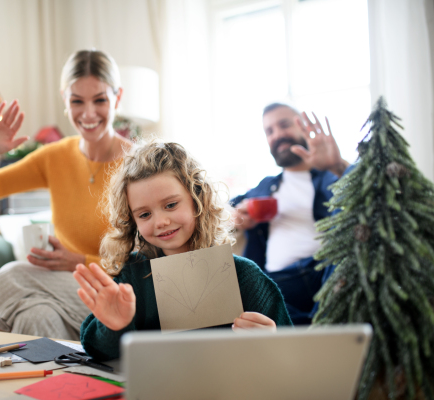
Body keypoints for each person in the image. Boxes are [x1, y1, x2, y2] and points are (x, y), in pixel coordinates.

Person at [0, 50, 133, 340]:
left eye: (100, 100)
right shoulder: (55, 157)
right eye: (77, 101)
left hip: (120, 293)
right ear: (65, 101)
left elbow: (150, 257)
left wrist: (81, 261)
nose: (88, 113)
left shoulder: (137, 163)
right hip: (68, 290)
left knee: (13, 275)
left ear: (117, 98)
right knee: (35, 315)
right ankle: (60, 384)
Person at [74, 140, 292, 361]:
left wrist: (271, 341)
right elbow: (97, 350)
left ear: (197, 200)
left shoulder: (244, 276)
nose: (160, 221)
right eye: (144, 214)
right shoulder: (131, 275)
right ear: (132, 221)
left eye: (170, 205)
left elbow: (291, 355)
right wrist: (113, 326)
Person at [229, 103, 350, 325]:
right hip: (278, 283)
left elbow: (368, 198)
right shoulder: (266, 186)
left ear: (303, 128)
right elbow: (222, 209)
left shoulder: (331, 177)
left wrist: (337, 165)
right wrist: (236, 216)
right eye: (269, 131)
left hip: (324, 274)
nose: (278, 135)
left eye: (284, 125)